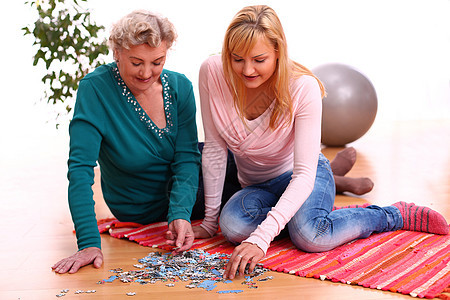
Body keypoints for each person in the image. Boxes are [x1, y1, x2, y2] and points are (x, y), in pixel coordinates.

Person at [194, 5, 449, 280]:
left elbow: (304, 175)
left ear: (278, 52)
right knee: (231, 226)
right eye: (237, 59)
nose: (247, 69)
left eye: (259, 59)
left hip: (304, 175)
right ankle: (306, 216)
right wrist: (209, 223)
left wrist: (261, 238)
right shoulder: (212, 72)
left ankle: (392, 215)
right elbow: (216, 149)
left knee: (310, 236)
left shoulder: (303, 87)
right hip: (257, 186)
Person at [52, 10, 201, 274]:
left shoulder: (180, 87)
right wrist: (88, 243)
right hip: (139, 205)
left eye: (158, 62)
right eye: (136, 62)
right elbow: (80, 169)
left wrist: (180, 214)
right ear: (117, 53)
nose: (147, 73)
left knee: (237, 162)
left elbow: (187, 158)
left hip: (192, 189)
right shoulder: (95, 89)